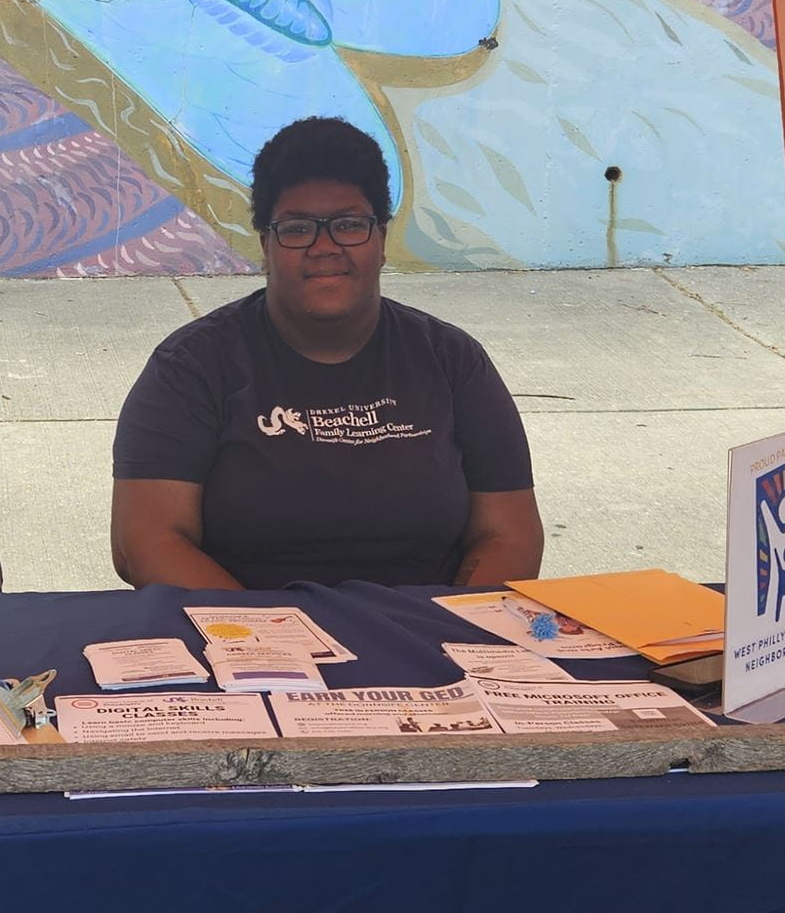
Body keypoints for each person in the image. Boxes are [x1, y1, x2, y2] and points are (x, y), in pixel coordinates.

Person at [111, 117, 542, 590]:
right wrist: (271, 643)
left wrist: (446, 632)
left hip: (428, 643)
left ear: (381, 239)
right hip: (245, 646)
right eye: (297, 229)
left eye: (349, 225)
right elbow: (146, 543)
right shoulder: (190, 368)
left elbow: (510, 536)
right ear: (266, 246)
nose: (324, 248)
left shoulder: (453, 361)